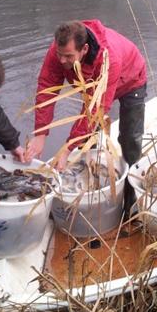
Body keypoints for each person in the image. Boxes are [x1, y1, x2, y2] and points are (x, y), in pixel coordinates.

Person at [26, 20, 147, 207]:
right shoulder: (59, 51)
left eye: (68, 56)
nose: (61, 60)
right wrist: (40, 133)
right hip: (95, 88)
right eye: (59, 54)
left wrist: (67, 148)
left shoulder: (109, 59)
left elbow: (96, 110)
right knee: (87, 143)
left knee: (130, 140)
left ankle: (131, 206)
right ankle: (90, 194)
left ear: (84, 49)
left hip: (132, 80)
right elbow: (47, 88)